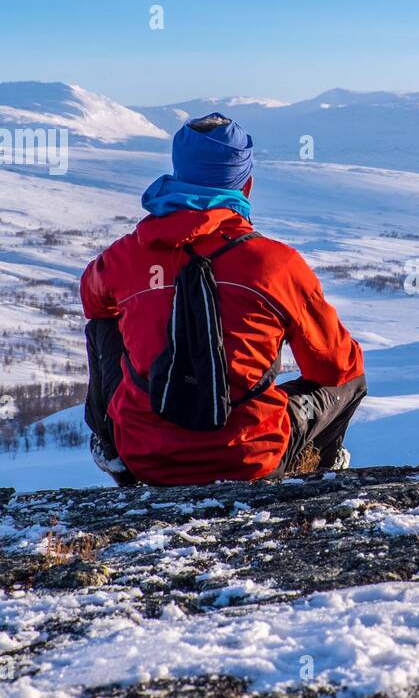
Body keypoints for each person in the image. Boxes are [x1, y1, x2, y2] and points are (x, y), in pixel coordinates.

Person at [81, 113, 365, 485]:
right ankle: (314, 472)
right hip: (251, 459)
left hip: (146, 458)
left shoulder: (126, 256)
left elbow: (94, 303)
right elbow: (333, 367)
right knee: (350, 378)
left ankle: (114, 448)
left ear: (177, 174)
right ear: (245, 185)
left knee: (103, 324)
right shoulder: (277, 264)